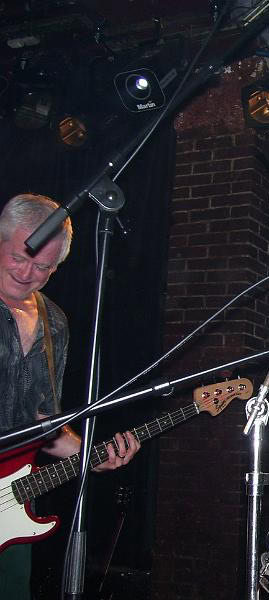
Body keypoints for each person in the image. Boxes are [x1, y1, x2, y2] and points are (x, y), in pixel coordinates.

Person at [0, 193, 141, 599]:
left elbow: (44, 423)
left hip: (9, 512)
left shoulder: (54, 322)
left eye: (43, 267)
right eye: (19, 258)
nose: (27, 273)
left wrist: (90, 455)